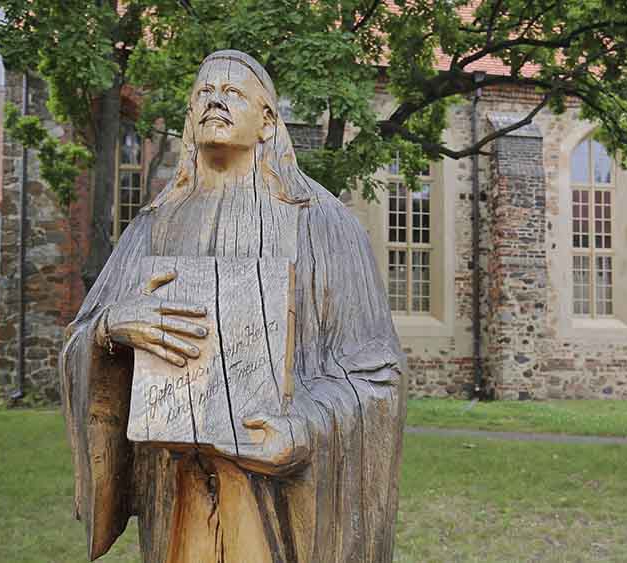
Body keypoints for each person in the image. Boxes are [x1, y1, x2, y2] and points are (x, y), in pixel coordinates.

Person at [60, 50, 405, 563]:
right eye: (204, 92)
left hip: (273, 502)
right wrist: (109, 327)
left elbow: (378, 375)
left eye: (233, 92)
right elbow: (82, 339)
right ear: (189, 117)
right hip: (176, 492)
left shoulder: (324, 224)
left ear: (267, 122)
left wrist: (307, 427)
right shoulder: (152, 226)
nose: (215, 101)